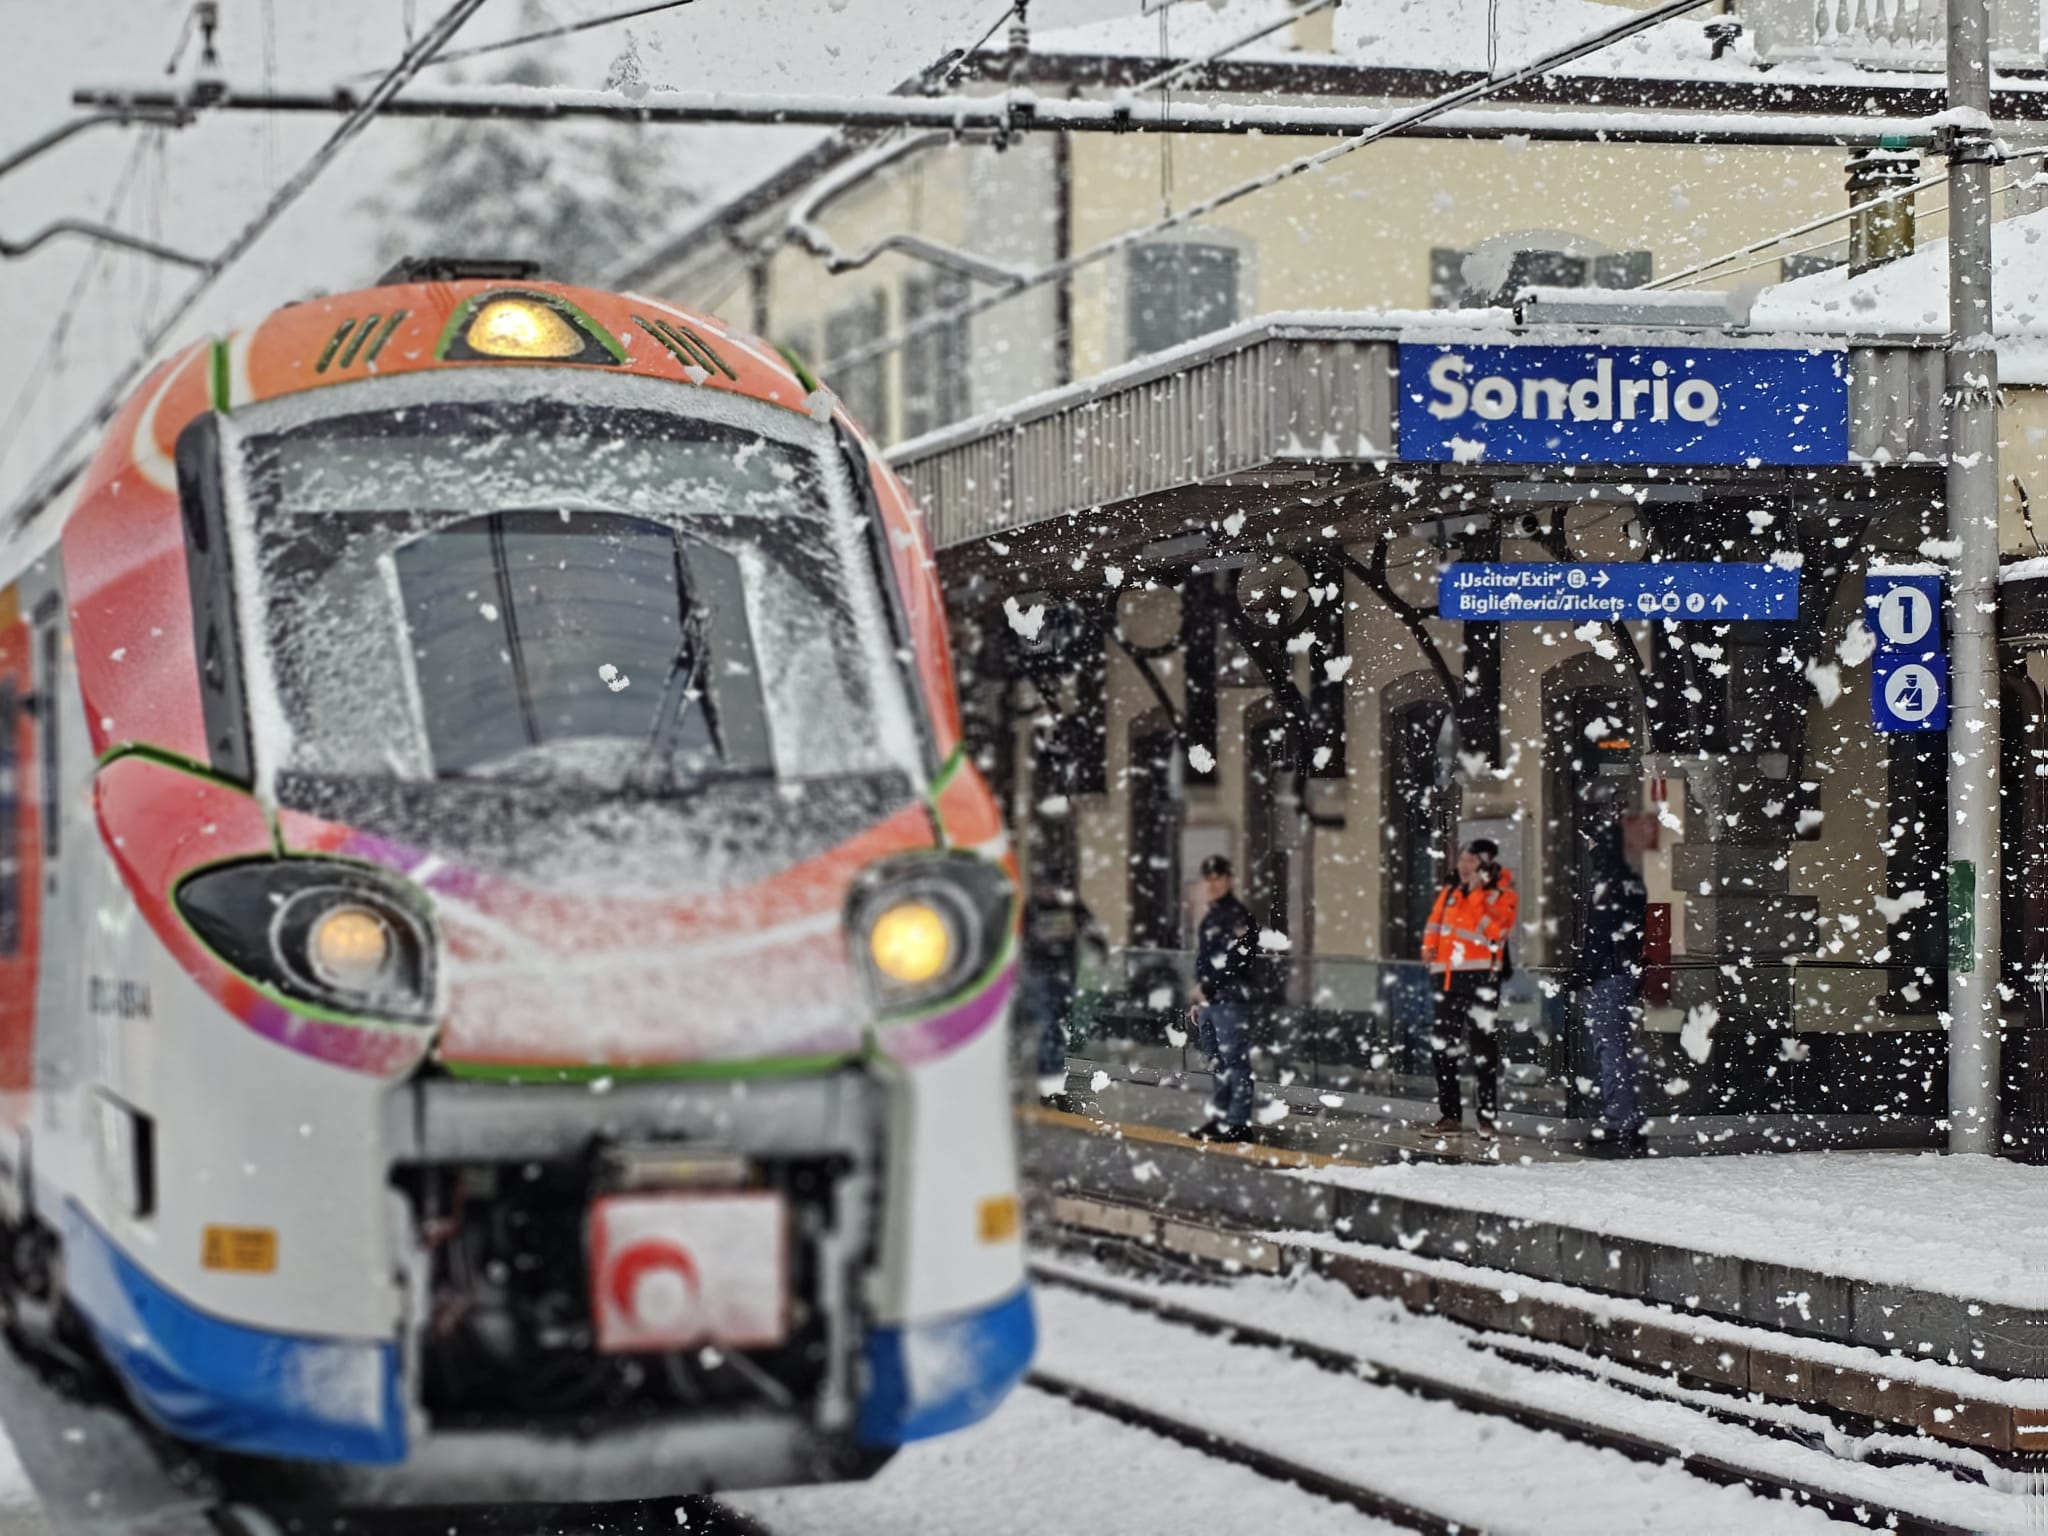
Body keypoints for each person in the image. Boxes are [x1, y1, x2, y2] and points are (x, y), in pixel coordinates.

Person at [1422, 839, 1519, 1138]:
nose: (1463, 866)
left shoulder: (1502, 895)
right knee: (1443, 1048)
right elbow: (1435, 923)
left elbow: (1496, 931)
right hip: (1447, 978)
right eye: (1461, 860)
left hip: (1481, 980)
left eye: (1470, 861)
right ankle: (1450, 1116)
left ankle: (1486, 1117)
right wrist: (1429, 948)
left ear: (1485, 865)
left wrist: (1477, 895)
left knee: (1483, 1051)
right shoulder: (1450, 892)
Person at [1576, 822, 1649, 1157]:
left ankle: (1619, 1120)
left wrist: (1583, 973)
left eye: (1593, 843)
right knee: (1618, 1048)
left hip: (1610, 974)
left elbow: (1601, 934)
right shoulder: (1630, 880)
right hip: (1624, 972)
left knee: (1610, 1049)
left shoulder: (1609, 882)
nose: (1590, 850)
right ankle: (1627, 1118)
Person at [1021, 874, 1108, 1106]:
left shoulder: (1068, 904)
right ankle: (1051, 1088)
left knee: (1055, 1030)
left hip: (1062, 975)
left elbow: (1089, 926)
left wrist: (1100, 946)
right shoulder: (1034, 907)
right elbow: (1019, 936)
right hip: (1041, 976)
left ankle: (1051, 1085)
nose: (1049, 892)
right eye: (1046, 886)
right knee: (1050, 1028)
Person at [1190, 854, 1258, 1140]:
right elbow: (1205, 960)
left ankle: (1239, 1123)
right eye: (1209, 879)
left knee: (1235, 1063)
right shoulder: (1212, 916)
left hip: (1230, 999)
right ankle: (1220, 1119)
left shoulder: (1239, 917)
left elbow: (1237, 962)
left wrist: (1207, 988)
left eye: (1218, 878)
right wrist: (1200, 996)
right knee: (1217, 1062)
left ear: (1229, 879)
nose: (1213, 884)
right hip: (1212, 1000)